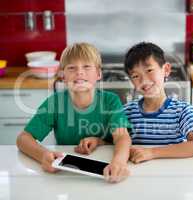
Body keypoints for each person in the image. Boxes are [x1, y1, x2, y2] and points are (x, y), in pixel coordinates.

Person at [16, 43, 132, 183]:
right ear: (63, 76)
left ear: (99, 74)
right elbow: (23, 139)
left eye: (86, 66)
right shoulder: (55, 103)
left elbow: (122, 137)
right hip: (66, 174)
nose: (79, 72)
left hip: (104, 169)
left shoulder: (111, 101)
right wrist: (43, 155)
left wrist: (118, 162)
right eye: (72, 68)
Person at [123, 42, 193, 164]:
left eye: (149, 70)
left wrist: (151, 152)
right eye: (136, 76)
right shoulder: (127, 112)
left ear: (166, 70)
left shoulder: (183, 111)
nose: (144, 80)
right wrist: (98, 141)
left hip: (172, 177)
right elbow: (114, 140)